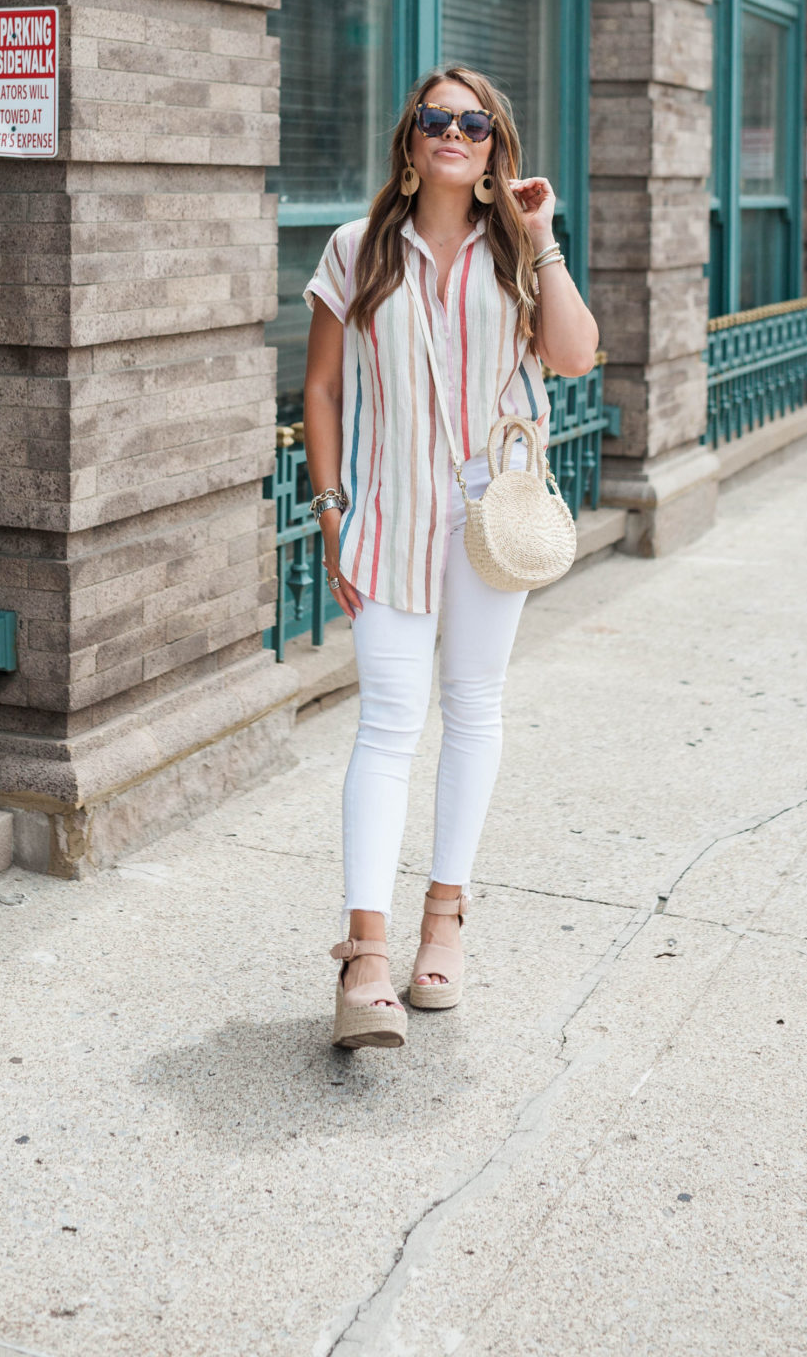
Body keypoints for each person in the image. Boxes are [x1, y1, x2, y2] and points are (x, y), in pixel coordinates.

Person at [302, 64, 599, 1049]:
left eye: (475, 123)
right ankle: (367, 958)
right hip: (385, 515)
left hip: (485, 520)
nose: (455, 132)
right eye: (438, 118)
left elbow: (574, 355)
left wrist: (544, 235)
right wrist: (331, 509)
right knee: (386, 723)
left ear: (492, 148)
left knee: (474, 707)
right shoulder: (355, 251)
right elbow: (322, 391)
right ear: (411, 137)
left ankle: (445, 920)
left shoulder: (514, 254)